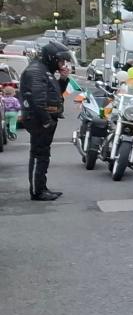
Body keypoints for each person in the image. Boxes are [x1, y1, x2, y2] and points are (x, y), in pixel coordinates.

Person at [18, 41, 71, 200]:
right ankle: (37, 191)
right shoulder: (36, 71)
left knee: (43, 153)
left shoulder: (44, 70)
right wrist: (46, 121)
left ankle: (41, 187)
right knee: (39, 154)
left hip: (42, 118)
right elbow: (37, 99)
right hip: (39, 119)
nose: (62, 63)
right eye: (60, 60)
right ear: (51, 58)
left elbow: (54, 94)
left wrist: (63, 79)